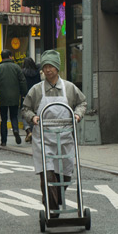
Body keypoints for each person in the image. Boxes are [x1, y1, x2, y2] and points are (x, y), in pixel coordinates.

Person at [21, 49, 86, 218]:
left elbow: (82, 102)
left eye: (51, 66)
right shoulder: (36, 90)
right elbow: (26, 108)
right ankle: (52, 209)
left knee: (65, 174)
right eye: (45, 66)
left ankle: (54, 200)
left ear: (57, 68)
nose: (48, 70)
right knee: (48, 174)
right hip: (44, 138)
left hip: (65, 137)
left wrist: (77, 114)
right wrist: (33, 117)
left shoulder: (70, 88)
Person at [0, 49, 27, 147]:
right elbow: (22, 81)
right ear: (10, 56)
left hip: (2, 97)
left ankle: (3, 141)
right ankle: (15, 129)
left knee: (3, 119)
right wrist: (24, 93)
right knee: (14, 116)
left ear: (2, 57)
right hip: (15, 97)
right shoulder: (16, 67)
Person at [21, 57, 41, 143]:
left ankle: (28, 130)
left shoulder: (22, 73)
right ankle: (33, 133)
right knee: (34, 114)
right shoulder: (37, 72)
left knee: (25, 113)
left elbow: (21, 84)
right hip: (36, 95)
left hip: (25, 95)